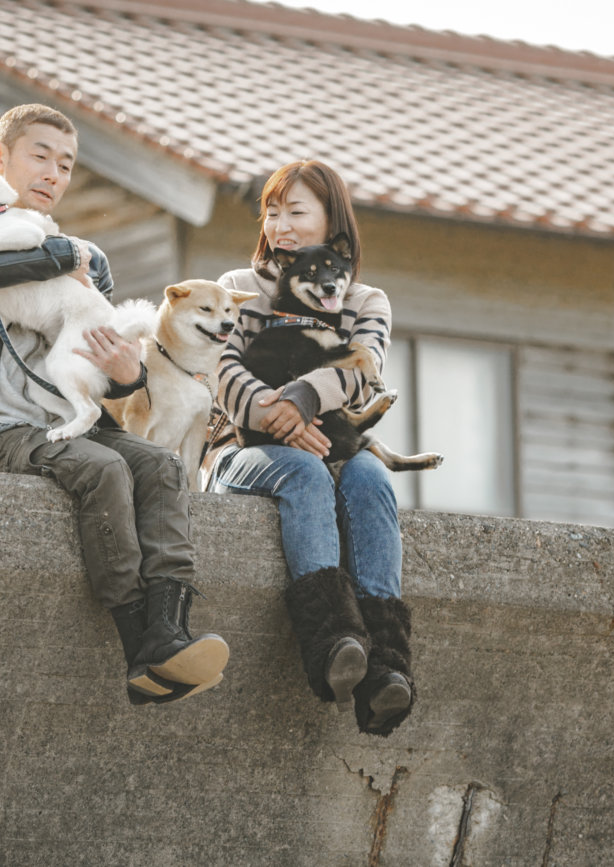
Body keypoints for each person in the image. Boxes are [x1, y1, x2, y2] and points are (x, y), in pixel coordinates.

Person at [0, 103, 227, 706]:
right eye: (41, 156)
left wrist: (126, 371)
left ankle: (168, 629)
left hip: (65, 422)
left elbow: (115, 375)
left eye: (67, 164)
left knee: (159, 466)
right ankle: (141, 640)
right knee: (105, 469)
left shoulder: (89, 257)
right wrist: (67, 255)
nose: (55, 173)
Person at [204, 160, 415, 736]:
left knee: (371, 478)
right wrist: (277, 415)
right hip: (240, 451)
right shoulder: (238, 288)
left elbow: (363, 368)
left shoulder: (367, 300)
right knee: (302, 470)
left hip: (334, 445)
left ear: (332, 222)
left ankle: (386, 672)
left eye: (296, 212)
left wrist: (302, 397)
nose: (281, 226)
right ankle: (332, 642)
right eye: (272, 213)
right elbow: (218, 366)